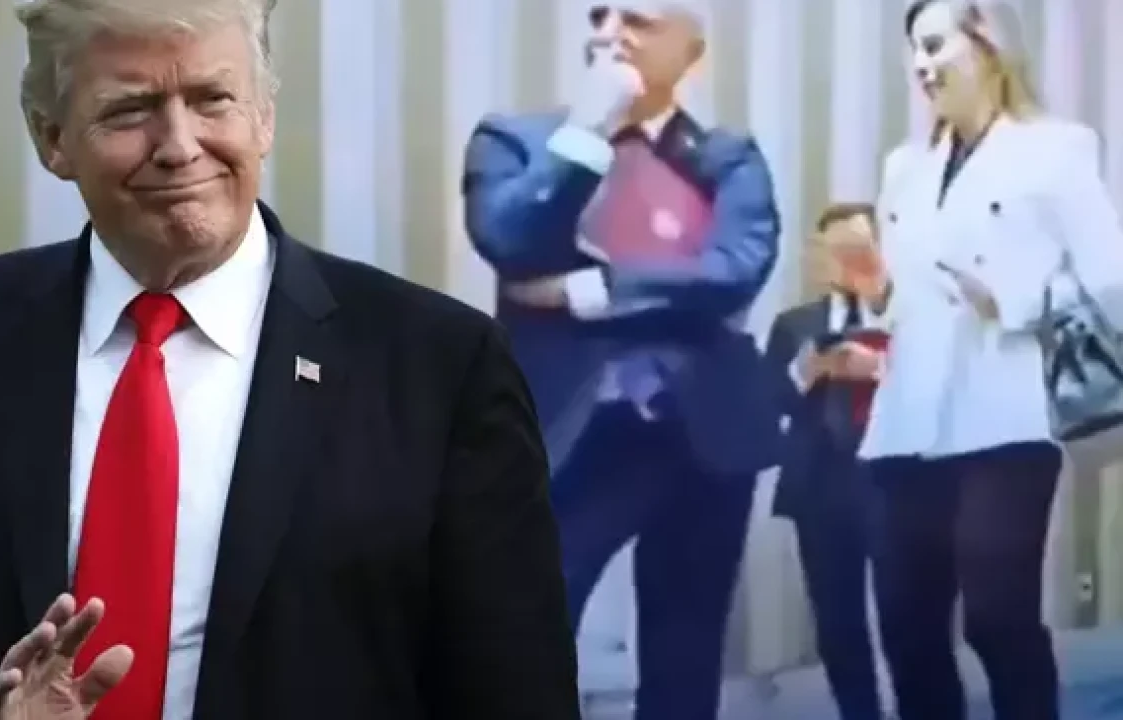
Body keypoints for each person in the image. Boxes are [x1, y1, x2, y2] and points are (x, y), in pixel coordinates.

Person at [0, 1, 580, 719]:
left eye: (212, 99)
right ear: (52, 137)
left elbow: (514, 689)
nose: (178, 145)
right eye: (130, 110)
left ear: (264, 116)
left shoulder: (440, 369)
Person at [461, 2, 780, 718]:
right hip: (566, 435)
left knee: (685, 658)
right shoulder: (514, 140)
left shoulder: (729, 157)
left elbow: (736, 267)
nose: (609, 32)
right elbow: (508, 240)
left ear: (690, 47)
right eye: (600, 15)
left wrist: (589, 290)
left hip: (705, 434)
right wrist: (587, 132)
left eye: (636, 18)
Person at [836, 2, 1123, 719]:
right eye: (915, 50)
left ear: (988, 44)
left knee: (997, 619)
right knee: (907, 628)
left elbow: (1111, 280)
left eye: (936, 46)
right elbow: (904, 297)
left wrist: (1015, 298)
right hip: (905, 423)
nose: (922, 65)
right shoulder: (904, 167)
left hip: (1004, 413)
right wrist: (876, 292)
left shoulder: (1056, 148)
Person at [765, 203, 887, 720]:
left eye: (856, 246)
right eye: (833, 247)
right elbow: (767, 402)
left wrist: (878, 369)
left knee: (909, 612)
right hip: (821, 487)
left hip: (892, 482)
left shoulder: (906, 317)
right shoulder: (794, 325)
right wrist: (806, 372)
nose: (843, 258)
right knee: (837, 620)